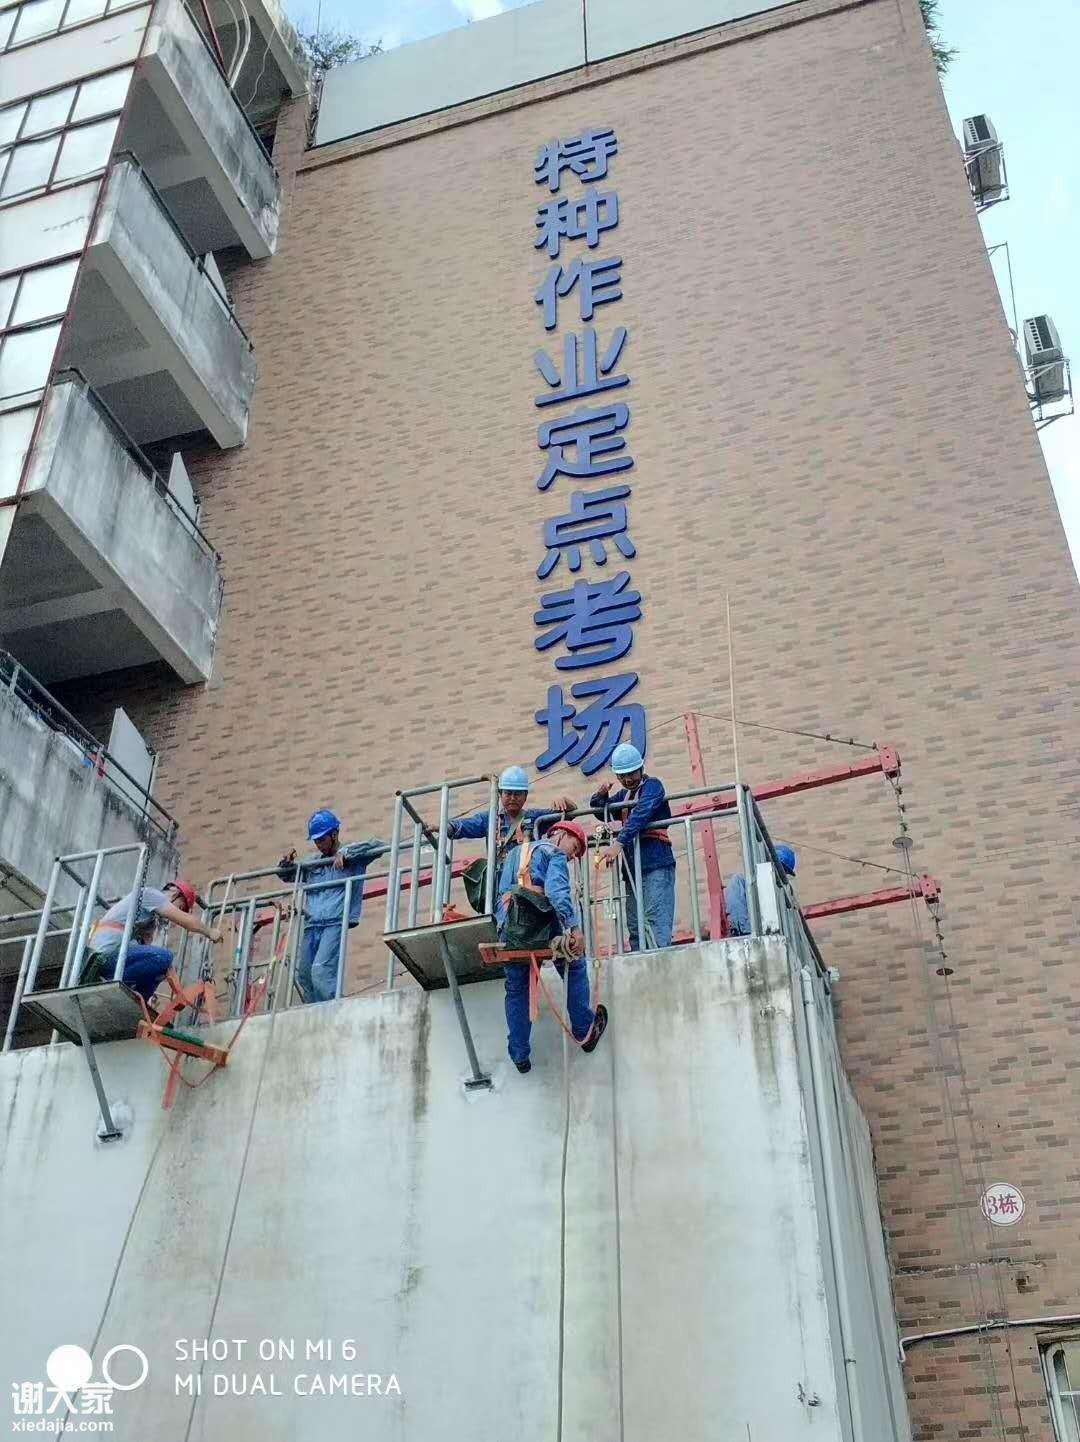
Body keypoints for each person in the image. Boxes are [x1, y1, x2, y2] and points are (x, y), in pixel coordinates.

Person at [496, 819, 607, 1074]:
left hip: (511, 931)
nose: (572, 856)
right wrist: (574, 928)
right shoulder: (553, 852)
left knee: (517, 989)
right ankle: (585, 1030)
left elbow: (501, 897)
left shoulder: (514, 854)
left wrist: (504, 929)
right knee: (574, 964)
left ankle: (519, 1054)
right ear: (559, 834)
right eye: (574, 847)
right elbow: (557, 893)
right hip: (541, 927)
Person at [277, 809, 385, 1004]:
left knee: (321, 971)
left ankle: (332, 1010)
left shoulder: (352, 857)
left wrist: (347, 852)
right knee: (304, 976)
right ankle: (315, 1012)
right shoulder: (313, 863)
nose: (319, 845)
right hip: (312, 925)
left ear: (334, 834)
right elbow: (288, 876)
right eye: (316, 841)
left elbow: (379, 845)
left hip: (334, 923)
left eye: (322, 840)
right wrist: (285, 865)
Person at [448, 765, 574, 914]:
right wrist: (444, 827)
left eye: (517, 794)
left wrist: (565, 801)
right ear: (500, 794)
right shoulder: (490, 819)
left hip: (526, 881)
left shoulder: (533, 817)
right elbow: (465, 825)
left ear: (525, 796)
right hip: (501, 884)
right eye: (508, 793)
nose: (512, 798)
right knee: (504, 915)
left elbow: (569, 815)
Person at [592, 743, 677, 951]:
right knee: (635, 924)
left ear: (641, 768)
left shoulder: (653, 786)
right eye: (622, 776)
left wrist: (619, 843)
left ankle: (659, 961)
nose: (627, 779)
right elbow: (600, 811)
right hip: (633, 868)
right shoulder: (624, 796)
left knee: (655, 922)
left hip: (656, 864)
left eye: (631, 773)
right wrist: (600, 795)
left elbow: (641, 813)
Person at [84, 878, 222, 1003]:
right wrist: (210, 932)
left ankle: (136, 1003)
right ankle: (121, 991)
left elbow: (145, 947)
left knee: (160, 970)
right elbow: (186, 921)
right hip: (104, 956)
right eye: (180, 907)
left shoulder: (148, 918)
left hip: (114, 957)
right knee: (164, 957)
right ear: (174, 892)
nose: (177, 911)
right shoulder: (152, 895)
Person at [725, 844, 797, 935]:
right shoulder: (743, 883)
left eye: (784, 871)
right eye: (783, 869)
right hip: (749, 929)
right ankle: (743, 931)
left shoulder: (784, 891)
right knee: (736, 881)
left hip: (770, 930)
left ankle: (745, 930)